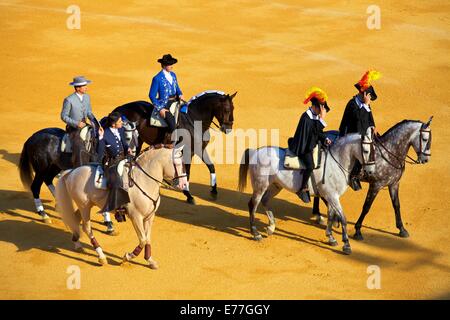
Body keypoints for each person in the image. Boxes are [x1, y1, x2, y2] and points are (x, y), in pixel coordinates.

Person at [338, 70, 381, 191]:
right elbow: (359, 121)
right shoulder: (352, 104)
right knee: (360, 150)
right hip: (352, 134)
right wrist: (366, 105)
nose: (370, 100)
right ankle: (353, 176)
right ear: (364, 95)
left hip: (363, 132)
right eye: (369, 97)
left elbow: (369, 118)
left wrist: (373, 126)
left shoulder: (365, 104)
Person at [289, 87, 332, 203]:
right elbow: (311, 134)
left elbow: (317, 132)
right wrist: (322, 120)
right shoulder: (306, 118)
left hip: (310, 143)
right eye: (321, 109)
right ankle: (302, 188)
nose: (322, 112)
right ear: (315, 107)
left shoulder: (314, 116)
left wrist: (325, 138)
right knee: (310, 165)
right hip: (302, 147)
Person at [97, 112, 133, 222]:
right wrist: (101, 138)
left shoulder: (121, 130)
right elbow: (99, 152)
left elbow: (124, 143)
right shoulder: (105, 133)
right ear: (113, 124)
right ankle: (118, 210)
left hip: (124, 158)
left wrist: (128, 149)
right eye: (120, 122)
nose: (122, 123)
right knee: (116, 182)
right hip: (111, 163)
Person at [60, 76, 99, 166]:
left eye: (86, 85)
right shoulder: (69, 100)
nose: (86, 87)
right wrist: (76, 123)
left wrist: (96, 124)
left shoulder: (87, 97)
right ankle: (78, 168)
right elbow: (63, 116)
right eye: (84, 86)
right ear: (77, 88)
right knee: (79, 147)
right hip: (73, 128)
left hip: (85, 125)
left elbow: (89, 112)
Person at [148, 54, 184, 134]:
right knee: (172, 125)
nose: (172, 66)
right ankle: (171, 143)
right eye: (170, 64)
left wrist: (180, 94)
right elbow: (151, 95)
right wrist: (160, 108)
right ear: (164, 65)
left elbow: (177, 87)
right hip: (165, 104)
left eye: (172, 64)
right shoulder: (157, 78)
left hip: (176, 100)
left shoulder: (173, 75)